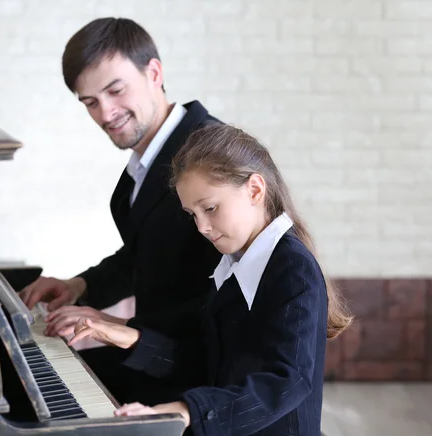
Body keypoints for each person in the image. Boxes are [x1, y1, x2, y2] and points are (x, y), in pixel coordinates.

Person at [67, 123, 353, 435]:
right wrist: (132, 338)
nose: (202, 227)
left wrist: (186, 410)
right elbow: (210, 362)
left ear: (255, 190)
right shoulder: (235, 261)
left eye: (211, 208)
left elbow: (287, 381)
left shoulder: (292, 267)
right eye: (193, 214)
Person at [19, 17, 222, 404]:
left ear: (154, 72)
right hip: (157, 356)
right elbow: (149, 256)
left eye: (115, 91)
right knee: (37, 388)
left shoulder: (211, 156)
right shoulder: (143, 166)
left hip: (199, 380)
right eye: (90, 102)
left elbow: (228, 291)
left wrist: (119, 326)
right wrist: (81, 286)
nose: (105, 114)